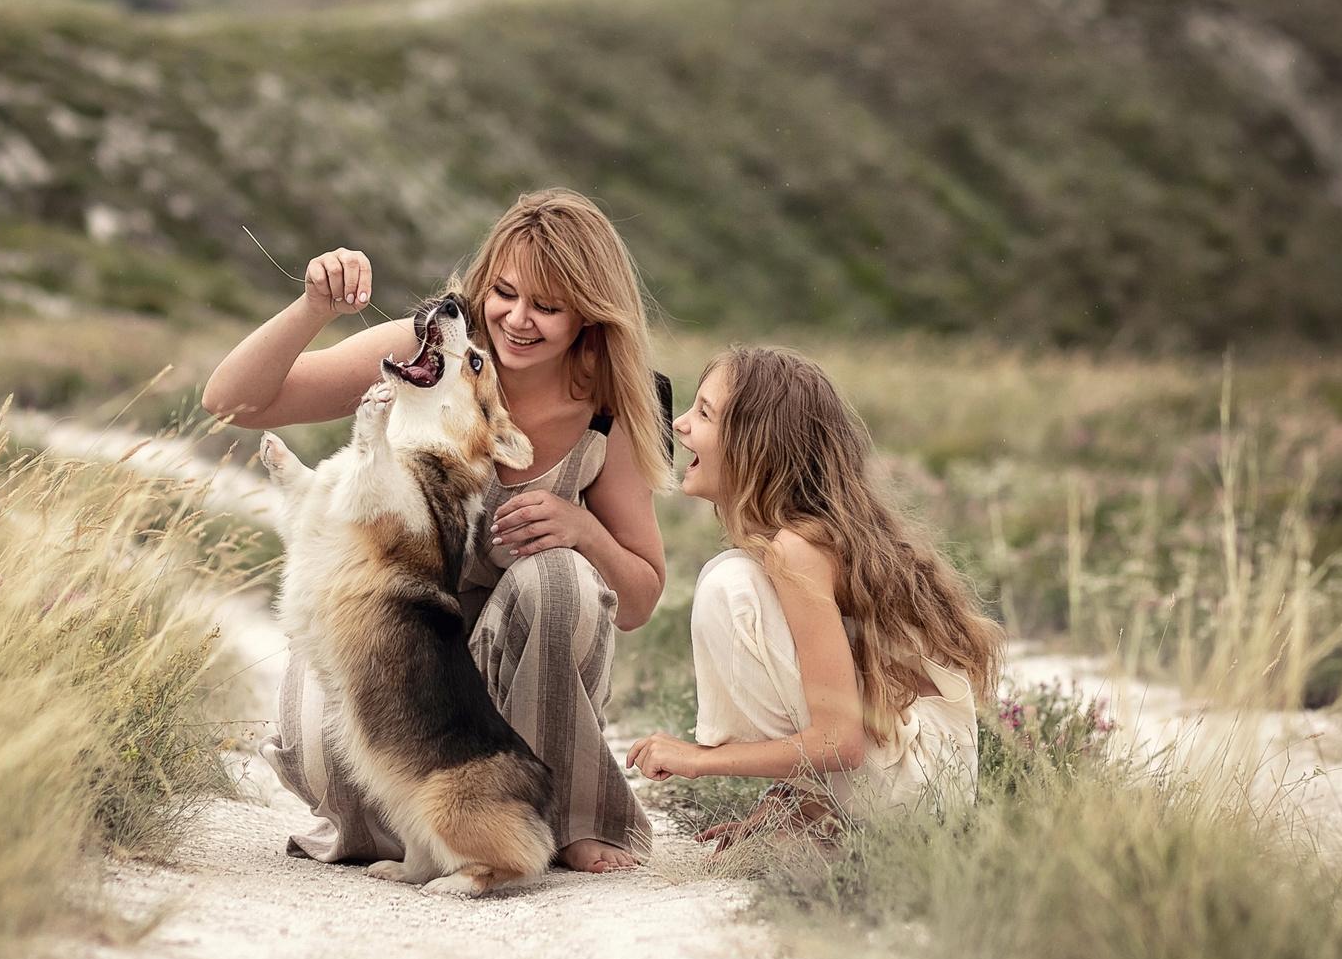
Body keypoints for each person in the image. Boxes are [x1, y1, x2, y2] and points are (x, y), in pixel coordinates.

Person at [203, 190, 672, 873]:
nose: (516, 318)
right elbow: (230, 402)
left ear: (589, 314)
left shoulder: (611, 408)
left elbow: (637, 603)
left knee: (560, 578)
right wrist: (315, 307)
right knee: (353, 804)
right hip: (395, 653)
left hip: (512, 671)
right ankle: (448, 831)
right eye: (505, 292)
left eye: (547, 305)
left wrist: (584, 530)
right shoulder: (426, 351)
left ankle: (569, 816)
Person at [625, 345, 1003, 844]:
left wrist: (700, 761)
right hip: (934, 784)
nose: (679, 423)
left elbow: (840, 741)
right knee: (737, 578)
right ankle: (815, 808)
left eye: (705, 413)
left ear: (754, 445)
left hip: (918, 789)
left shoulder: (797, 550)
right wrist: (786, 805)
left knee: (729, 587)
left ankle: (828, 817)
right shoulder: (804, 539)